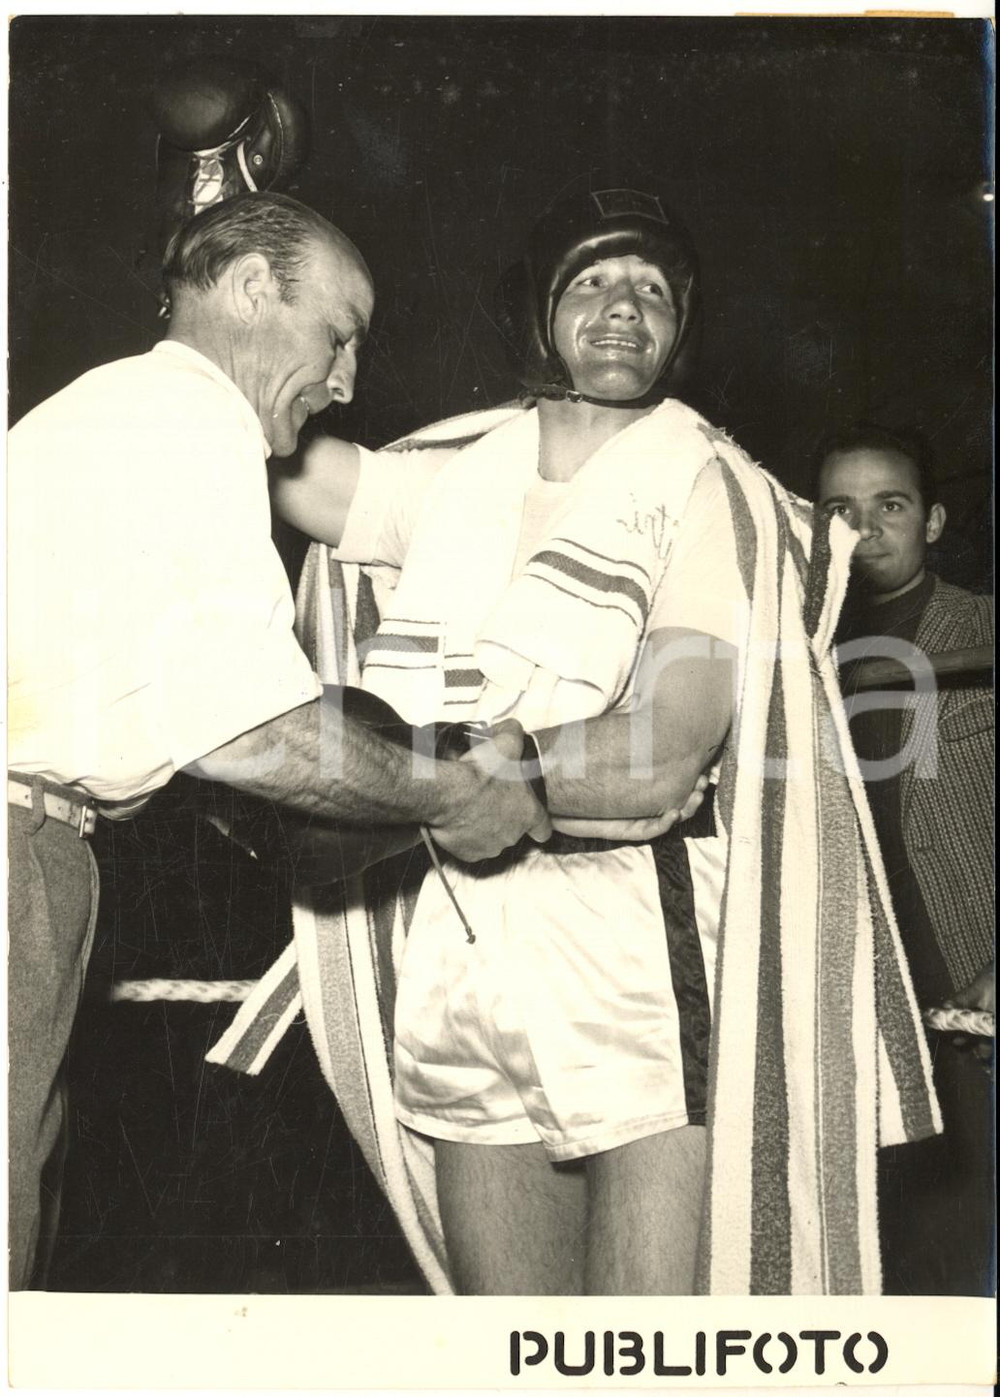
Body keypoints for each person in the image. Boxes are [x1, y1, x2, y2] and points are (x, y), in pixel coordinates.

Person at [271, 183, 940, 1296]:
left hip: (632, 939)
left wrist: (449, 773)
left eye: (653, 291)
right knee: (506, 1349)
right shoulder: (457, 475)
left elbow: (665, 748)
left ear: (682, 329)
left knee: (642, 1348)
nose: (625, 305)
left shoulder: (708, 486)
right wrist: (225, 255)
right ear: (538, 308)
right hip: (462, 933)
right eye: (592, 280)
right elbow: (268, 445)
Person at [6, 191, 550, 1290]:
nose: (346, 381)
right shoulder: (192, 421)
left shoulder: (112, 413)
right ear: (255, 290)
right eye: (337, 335)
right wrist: (452, 794)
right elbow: (250, 733)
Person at [817, 423, 994, 1296]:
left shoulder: (983, 629)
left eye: (890, 504)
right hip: (853, 1003)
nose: (865, 528)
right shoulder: (796, 652)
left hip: (971, 986)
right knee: (890, 1261)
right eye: (839, 510)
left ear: (932, 520)